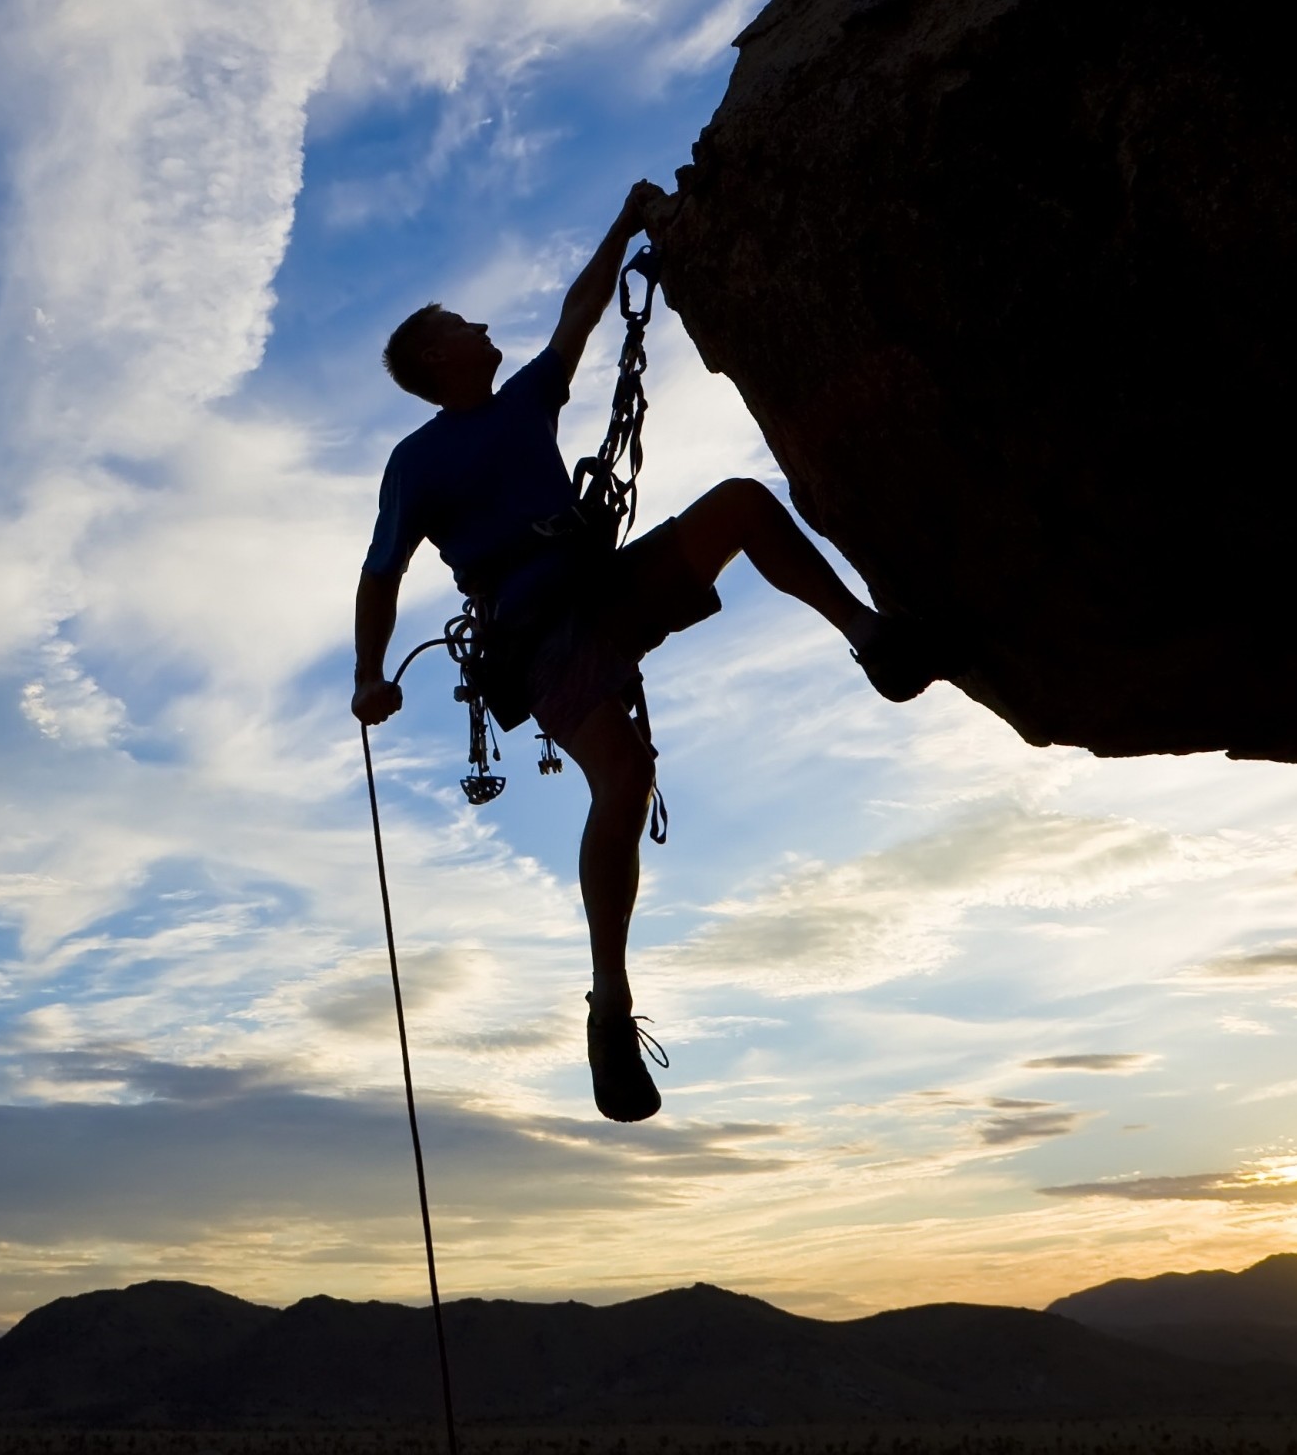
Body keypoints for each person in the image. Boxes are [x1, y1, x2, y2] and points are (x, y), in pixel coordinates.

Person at [350, 178, 939, 1123]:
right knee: (624, 773)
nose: (481, 325)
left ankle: (873, 640)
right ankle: (610, 1006)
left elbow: (580, 315)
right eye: (462, 323)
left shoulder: (523, 399)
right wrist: (367, 675)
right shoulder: (417, 462)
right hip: (539, 635)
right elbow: (380, 574)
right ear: (435, 356)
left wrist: (624, 226)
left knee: (741, 506)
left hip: (602, 588)